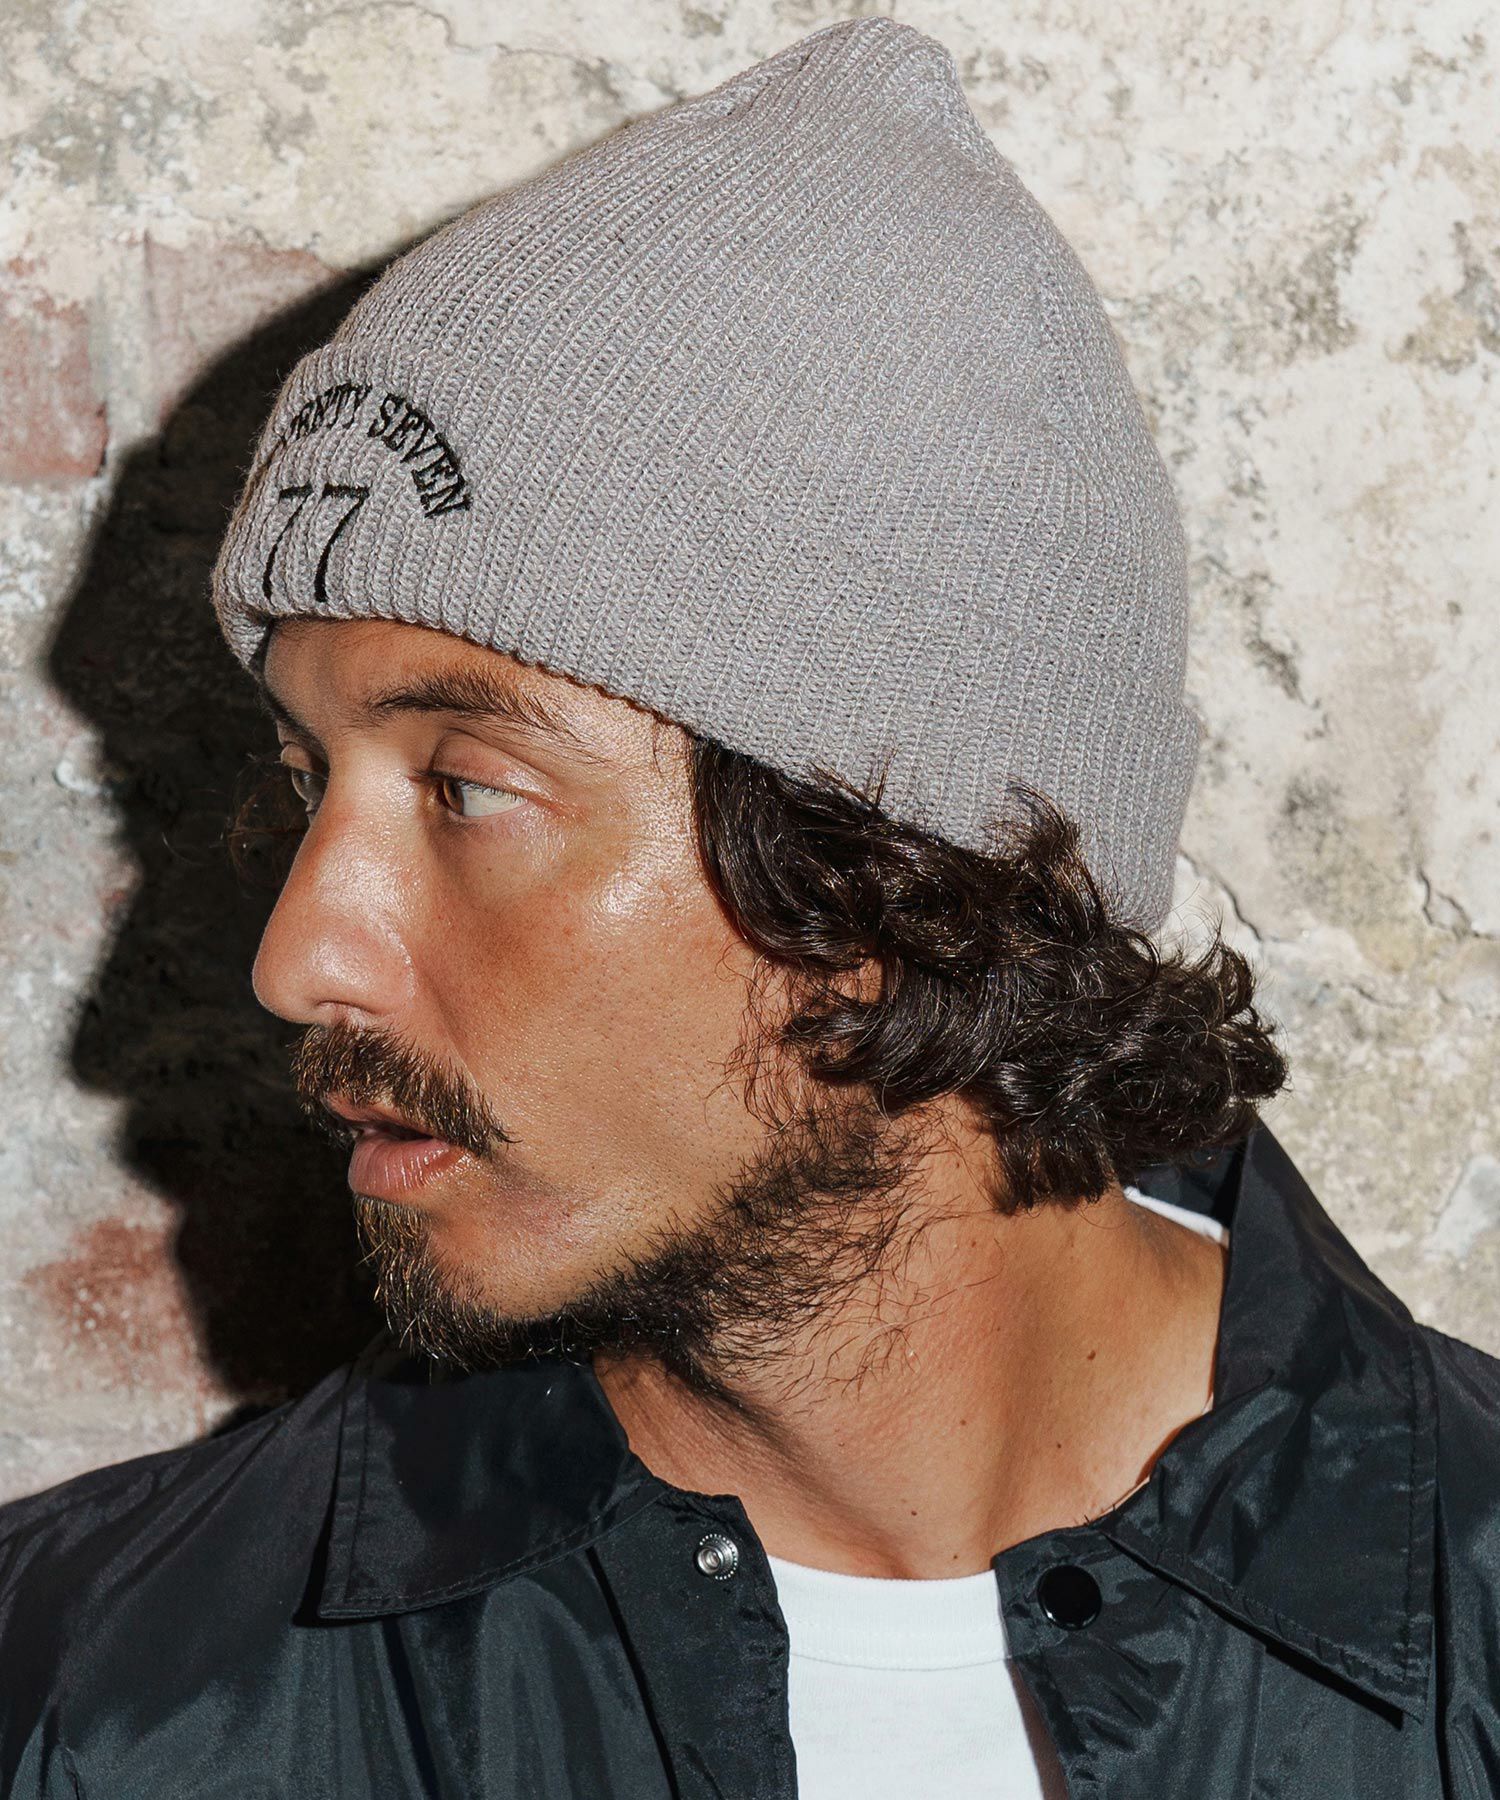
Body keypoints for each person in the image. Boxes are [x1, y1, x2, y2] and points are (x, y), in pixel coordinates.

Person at [2, 15, 1497, 1798]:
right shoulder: (93, 1701)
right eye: (310, 782)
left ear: (901, 877)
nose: (297, 956)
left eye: (466, 785)